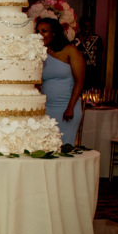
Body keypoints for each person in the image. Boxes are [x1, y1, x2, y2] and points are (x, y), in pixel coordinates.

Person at [38, 17, 85, 145]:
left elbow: (79, 82)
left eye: (44, 31)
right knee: (47, 146)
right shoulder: (39, 53)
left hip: (67, 107)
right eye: (38, 32)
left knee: (64, 147)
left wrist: (70, 108)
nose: (40, 35)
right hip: (46, 109)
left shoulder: (70, 50)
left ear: (53, 33)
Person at [76, 16, 105, 89]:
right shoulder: (75, 38)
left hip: (93, 75)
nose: (86, 29)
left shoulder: (97, 40)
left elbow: (99, 60)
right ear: (80, 26)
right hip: (78, 74)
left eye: (89, 26)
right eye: (84, 26)